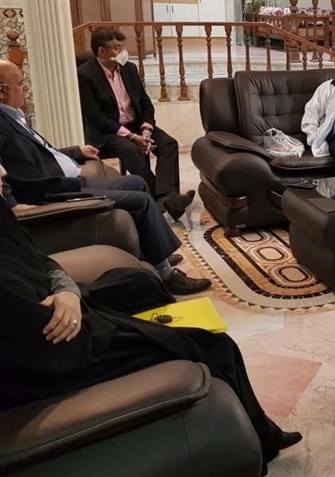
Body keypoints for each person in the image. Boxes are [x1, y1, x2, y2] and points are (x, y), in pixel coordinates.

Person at [0, 164, 302, 475]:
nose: (4, 171)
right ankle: (261, 442)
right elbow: (44, 342)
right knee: (215, 346)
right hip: (59, 355)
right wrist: (113, 326)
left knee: (143, 284)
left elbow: (40, 260)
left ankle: (262, 431)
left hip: (66, 313)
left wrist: (67, 292)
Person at [0, 59, 210, 294]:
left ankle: (152, 252)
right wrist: (11, 203)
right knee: (140, 201)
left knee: (137, 182)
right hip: (54, 191)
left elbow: (44, 154)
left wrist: (76, 151)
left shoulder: (13, 116)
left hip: (70, 181)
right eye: (20, 83)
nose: (26, 87)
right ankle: (167, 275)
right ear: (2, 91)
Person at [77, 28, 193, 220]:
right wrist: (131, 136)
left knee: (168, 143)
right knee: (130, 149)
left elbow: (145, 104)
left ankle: (167, 197)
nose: (122, 52)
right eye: (117, 48)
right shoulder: (85, 74)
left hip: (136, 124)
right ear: (102, 52)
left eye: (122, 46)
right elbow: (95, 117)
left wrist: (146, 129)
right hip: (107, 131)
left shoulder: (129, 69)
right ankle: (164, 199)